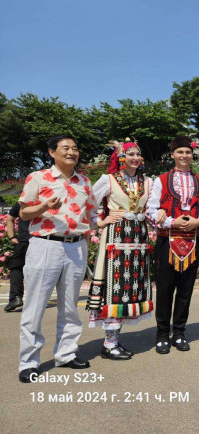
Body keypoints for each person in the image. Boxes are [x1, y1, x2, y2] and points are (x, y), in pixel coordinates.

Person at [18, 134, 98, 383]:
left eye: (75, 148)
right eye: (65, 148)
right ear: (52, 152)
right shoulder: (38, 177)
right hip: (45, 245)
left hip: (76, 247)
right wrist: (43, 207)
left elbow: (91, 217)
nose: (72, 152)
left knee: (70, 307)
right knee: (36, 305)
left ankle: (66, 354)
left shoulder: (85, 181)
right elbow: (23, 212)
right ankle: (28, 362)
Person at [86, 139, 153, 360]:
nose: (135, 158)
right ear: (121, 158)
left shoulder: (148, 181)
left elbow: (153, 207)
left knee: (129, 287)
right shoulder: (109, 180)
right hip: (116, 235)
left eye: (137, 154)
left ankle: (113, 341)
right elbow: (89, 201)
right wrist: (100, 221)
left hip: (138, 239)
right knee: (114, 288)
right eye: (130, 154)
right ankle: (109, 343)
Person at [146, 136, 199, 354]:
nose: (184, 156)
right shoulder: (161, 180)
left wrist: (198, 221)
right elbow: (151, 210)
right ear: (173, 154)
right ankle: (162, 334)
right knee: (165, 289)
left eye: (188, 152)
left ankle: (180, 333)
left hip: (193, 239)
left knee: (185, 289)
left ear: (192, 155)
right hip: (167, 239)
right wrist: (172, 221)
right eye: (180, 152)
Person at [4, 202, 30, 312]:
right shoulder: (47, 199)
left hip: (25, 241)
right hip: (45, 241)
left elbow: (9, 219)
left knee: (16, 268)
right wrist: (12, 236)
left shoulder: (22, 202)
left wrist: (12, 237)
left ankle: (15, 297)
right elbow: (10, 219)